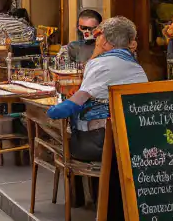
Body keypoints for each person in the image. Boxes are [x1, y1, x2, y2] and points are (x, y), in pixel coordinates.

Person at [48, 15, 148, 161]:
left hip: (101, 144)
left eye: (98, 36)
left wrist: (51, 111)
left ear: (106, 41)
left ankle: (79, 182)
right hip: (134, 142)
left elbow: (74, 103)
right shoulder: (136, 67)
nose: (96, 39)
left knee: (58, 137)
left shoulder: (100, 64)